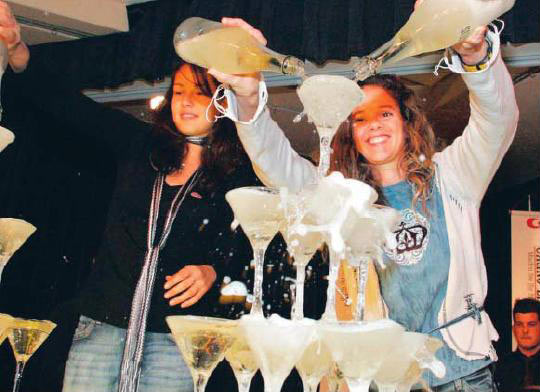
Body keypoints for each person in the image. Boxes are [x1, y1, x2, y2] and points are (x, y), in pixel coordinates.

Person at [210, 9, 519, 391]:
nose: (373, 124)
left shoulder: (455, 176)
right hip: (381, 379)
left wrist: (476, 56)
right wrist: (245, 94)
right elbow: (277, 167)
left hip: (462, 373)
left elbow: (498, 119)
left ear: (406, 122)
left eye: (385, 113)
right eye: (359, 118)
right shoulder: (341, 199)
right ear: (350, 134)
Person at [0, 2, 256, 392]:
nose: (186, 101)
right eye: (180, 91)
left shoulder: (236, 173)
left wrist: (213, 272)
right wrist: (18, 48)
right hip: (101, 324)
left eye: (201, 93)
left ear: (223, 102)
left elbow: (249, 250)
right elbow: (69, 108)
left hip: (173, 337)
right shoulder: (142, 146)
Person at [496, 298, 540, 391]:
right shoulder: (499, 368)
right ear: (513, 329)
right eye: (519, 324)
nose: (525, 330)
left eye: (531, 324)